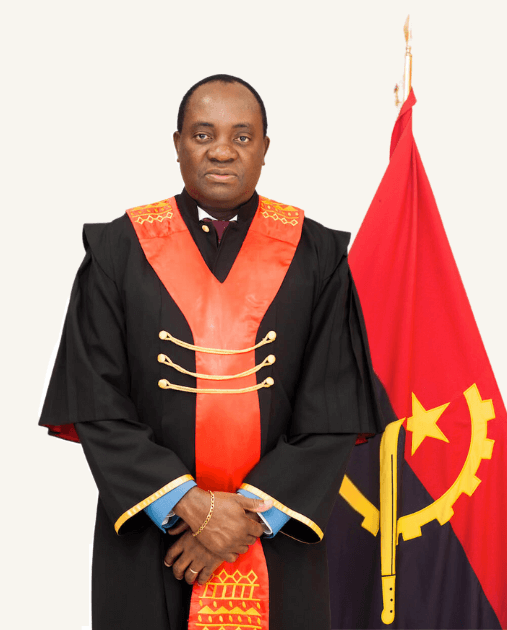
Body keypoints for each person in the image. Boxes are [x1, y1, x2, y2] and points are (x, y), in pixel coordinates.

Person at [38, 73, 386, 630]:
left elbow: (334, 402)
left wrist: (242, 522)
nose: (222, 151)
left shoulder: (317, 254)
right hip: (152, 540)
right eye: (203, 134)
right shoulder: (118, 249)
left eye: (242, 137)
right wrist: (189, 505)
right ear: (177, 143)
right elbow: (95, 397)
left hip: (276, 541)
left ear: (266, 148)